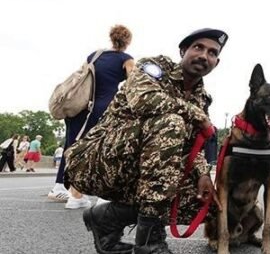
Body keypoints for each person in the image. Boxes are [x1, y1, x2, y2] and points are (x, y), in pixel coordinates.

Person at [64, 28, 227, 254]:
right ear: (183, 51)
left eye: (211, 52)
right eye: (198, 47)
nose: (203, 55)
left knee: (202, 202)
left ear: (216, 63)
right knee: (171, 123)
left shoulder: (202, 97)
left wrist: (202, 174)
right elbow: (145, 100)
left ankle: (106, 218)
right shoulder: (153, 67)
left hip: (142, 168)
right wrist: (198, 116)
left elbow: (192, 145)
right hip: (98, 161)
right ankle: (150, 244)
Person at [49, 25, 135, 207]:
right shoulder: (126, 59)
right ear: (127, 41)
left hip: (81, 107)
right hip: (106, 107)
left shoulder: (94, 55)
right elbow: (134, 83)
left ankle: (75, 196)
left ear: (111, 38)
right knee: (106, 149)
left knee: (76, 149)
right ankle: (103, 196)